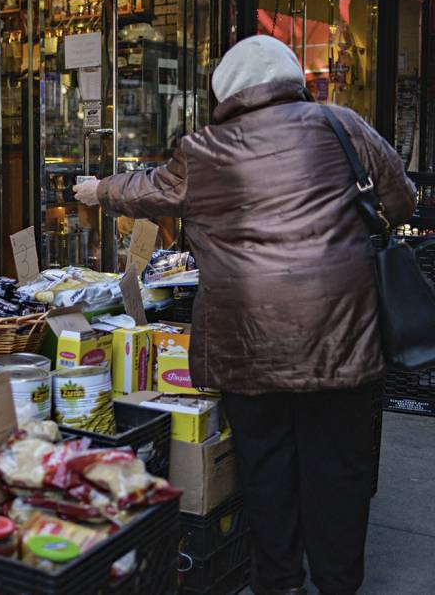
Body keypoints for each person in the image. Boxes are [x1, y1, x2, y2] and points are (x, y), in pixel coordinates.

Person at [74, 35, 416, 595]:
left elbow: (148, 189)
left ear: (226, 93)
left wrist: (97, 189)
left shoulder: (202, 149)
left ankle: (278, 583)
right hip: (341, 344)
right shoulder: (341, 124)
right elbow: (401, 200)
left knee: (266, 475)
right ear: (290, 77)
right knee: (338, 476)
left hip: (247, 346)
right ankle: (337, 583)